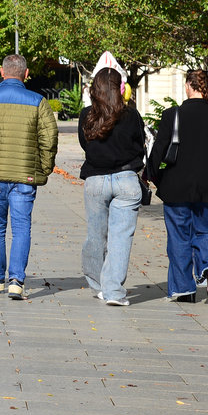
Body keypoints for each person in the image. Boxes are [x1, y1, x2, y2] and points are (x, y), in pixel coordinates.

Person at [0, 55, 57, 300]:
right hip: (25, 176)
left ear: (1, 72)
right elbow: (49, 140)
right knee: (21, 228)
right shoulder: (38, 101)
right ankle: (16, 280)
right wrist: (44, 169)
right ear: (26, 73)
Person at [148, 69, 208, 304]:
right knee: (206, 230)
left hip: (177, 185)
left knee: (178, 237)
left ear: (188, 86)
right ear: (207, 88)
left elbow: (158, 150)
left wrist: (151, 175)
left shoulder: (172, 115)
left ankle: (183, 290)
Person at [78, 67, 147, 307]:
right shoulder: (132, 115)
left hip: (96, 180)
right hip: (126, 178)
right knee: (121, 237)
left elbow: (84, 144)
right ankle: (114, 291)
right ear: (120, 89)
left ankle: (98, 284)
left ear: (94, 89)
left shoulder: (87, 115)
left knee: (95, 236)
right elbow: (140, 146)